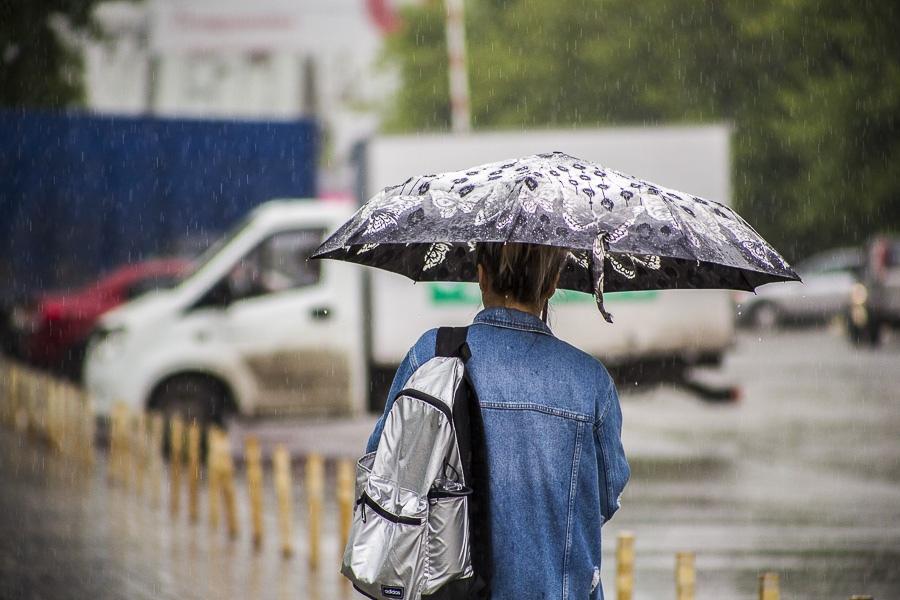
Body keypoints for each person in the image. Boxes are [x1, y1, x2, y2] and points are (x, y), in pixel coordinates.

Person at [366, 242, 630, 600]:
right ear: (552, 283)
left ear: (480, 275)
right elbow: (604, 497)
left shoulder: (432, 357)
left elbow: (382, 474)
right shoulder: (589, 382)